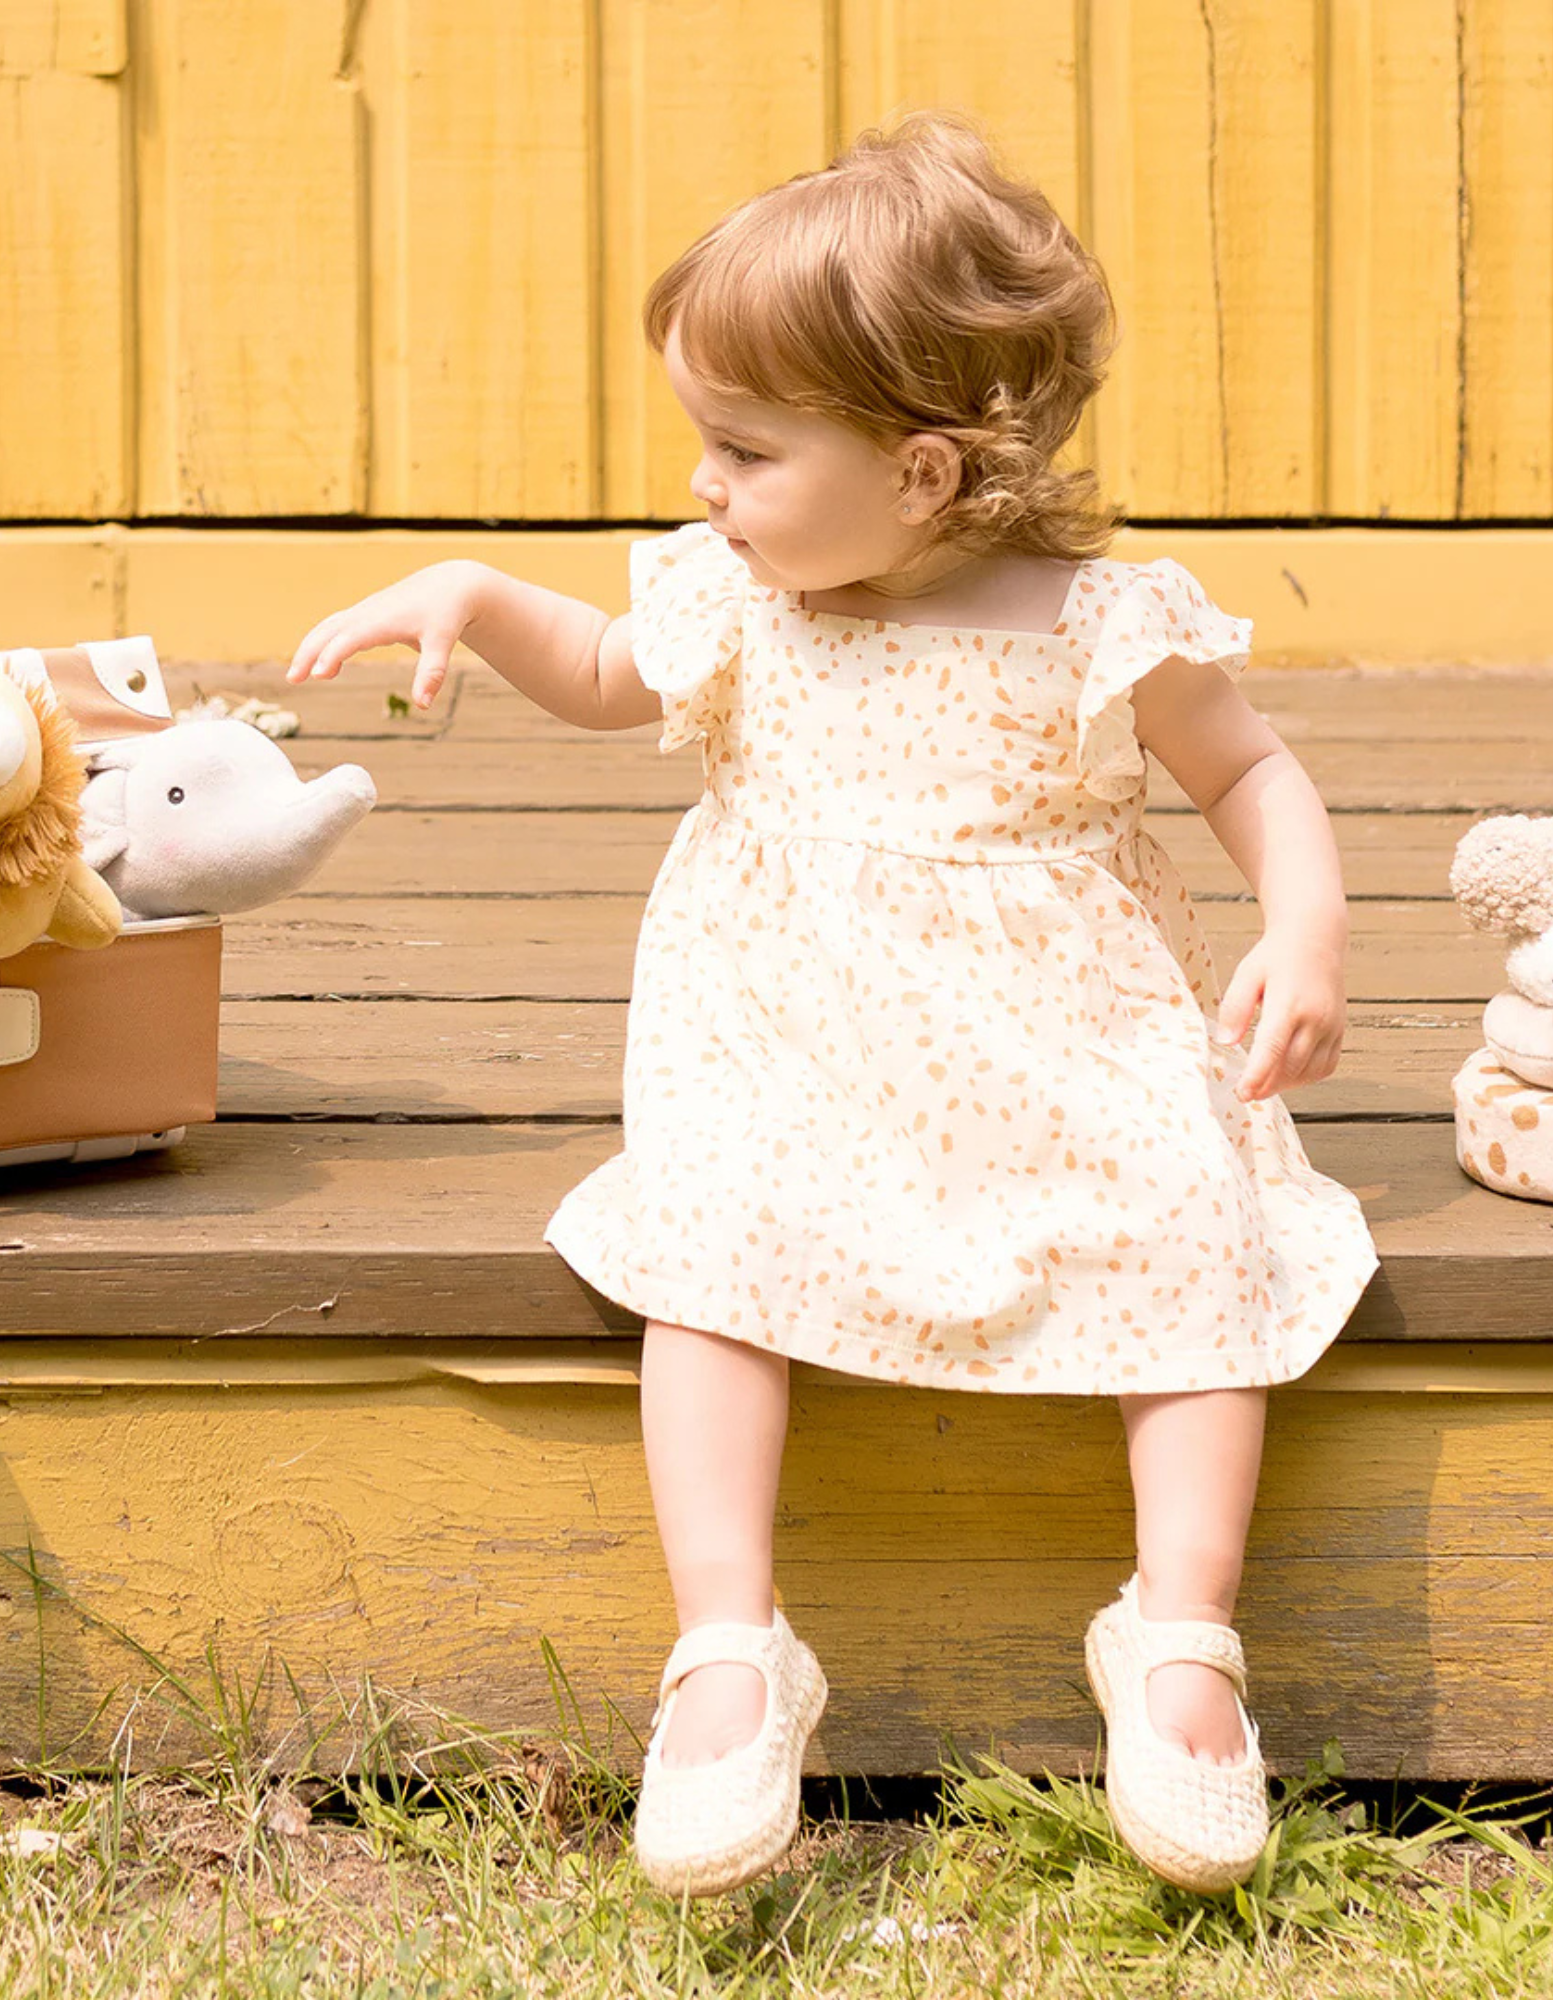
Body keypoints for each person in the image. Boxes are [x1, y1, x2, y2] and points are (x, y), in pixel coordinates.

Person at [286, 109, 1378, 1901]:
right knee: (710, 1256)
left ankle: (1180, 1637)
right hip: (785, 1033)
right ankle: (731, 1648)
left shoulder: (1102, 623)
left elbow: (1252, 777)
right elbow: (592, 673)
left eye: (743, 448)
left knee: (1201, 1232)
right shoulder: (731, 593)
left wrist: (1309, 930)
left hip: (1065, 1036)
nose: (703, 486)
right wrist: (476, 595)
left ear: (931, 471)